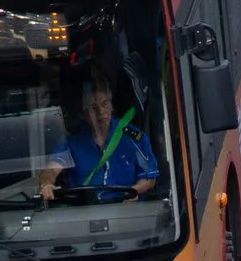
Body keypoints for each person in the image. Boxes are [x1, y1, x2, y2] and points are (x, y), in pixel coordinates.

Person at [41, 71, 159, 204]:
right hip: (84, 211)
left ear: (112, 105)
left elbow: (150, 178)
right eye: (93, 108)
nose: (101, 112)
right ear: (82, 113)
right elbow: (50, 171)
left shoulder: (132, 137)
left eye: (105, 104)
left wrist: (134, 191)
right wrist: (46, 184)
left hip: (126, 210)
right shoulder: (72, 141)